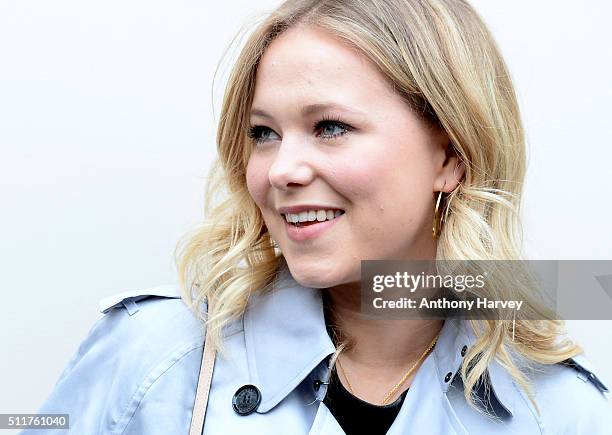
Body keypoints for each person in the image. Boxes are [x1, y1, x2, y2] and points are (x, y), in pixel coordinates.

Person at [22, 0, 611, 434]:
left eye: (330, 127)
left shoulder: (564, 412)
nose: (280, 170)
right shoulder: (149, 354)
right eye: (264, 134)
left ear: (451, 155)